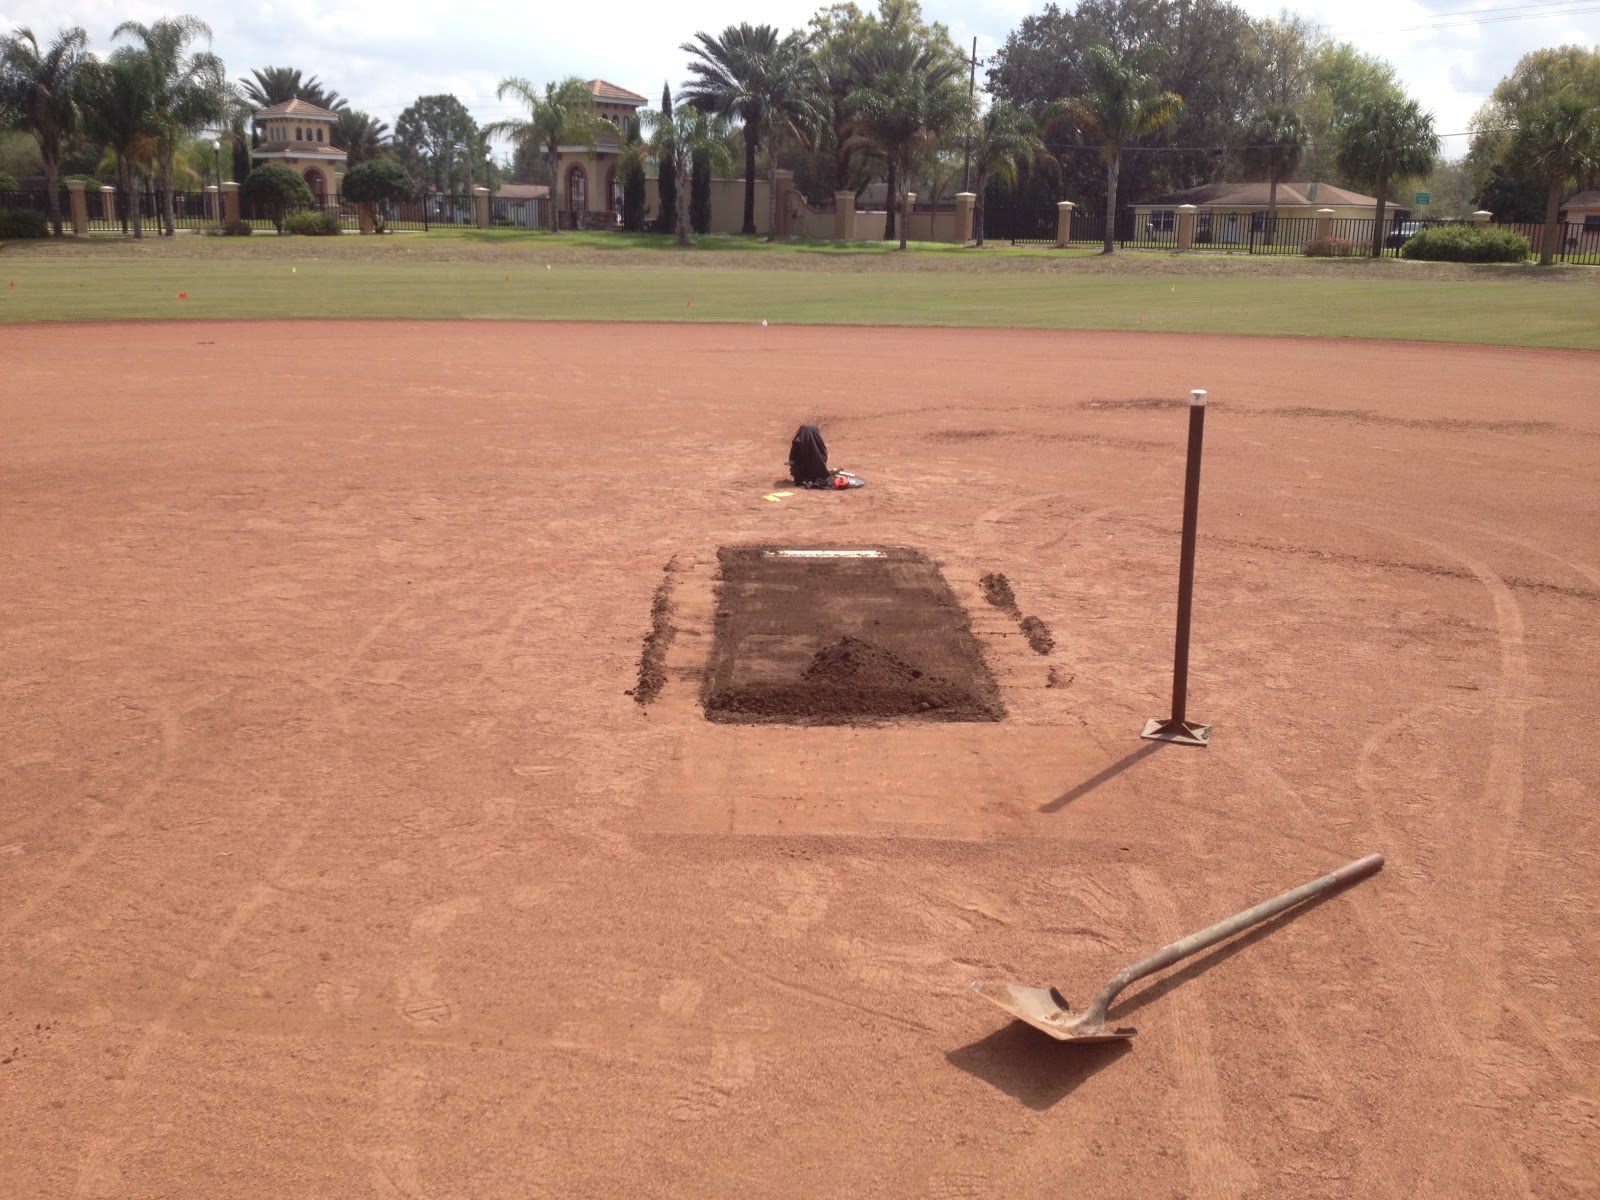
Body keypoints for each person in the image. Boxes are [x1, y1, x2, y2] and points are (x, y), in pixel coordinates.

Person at [787, 424, 864, 490]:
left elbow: (792, 460)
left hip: (801, 474)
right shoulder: (820, 446)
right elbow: (824, 457)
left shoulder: (797, 443)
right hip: (817, 470)